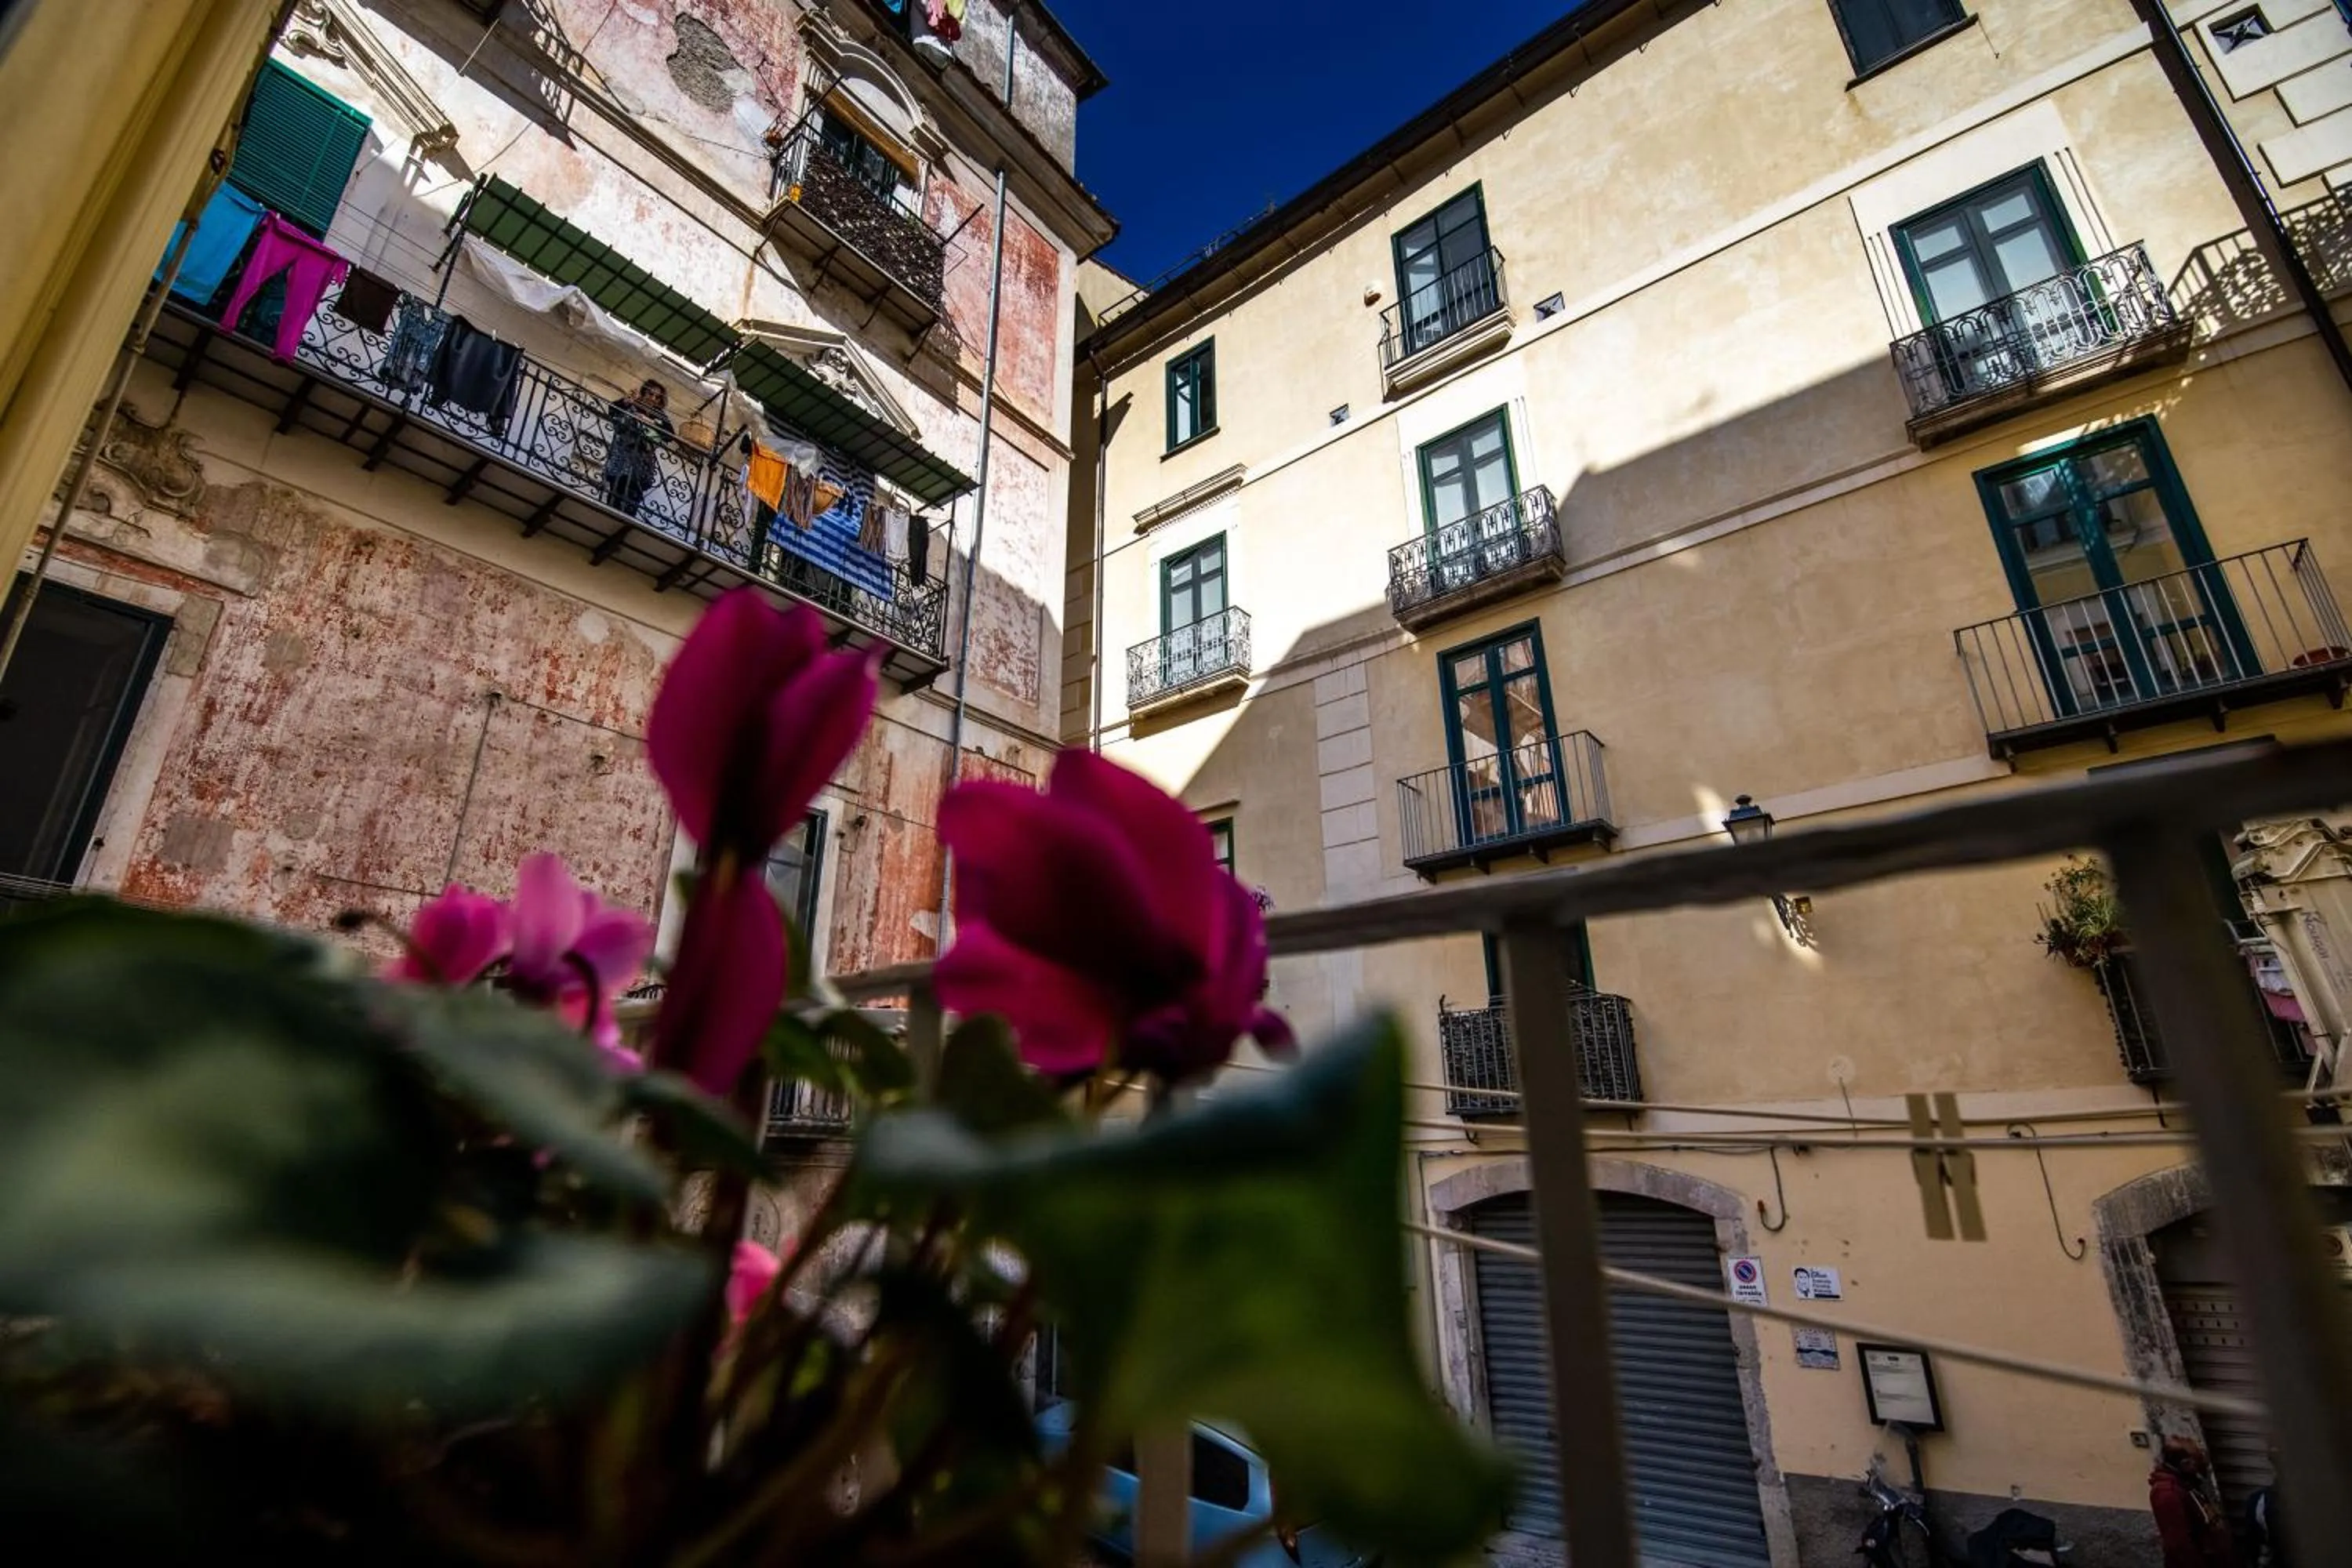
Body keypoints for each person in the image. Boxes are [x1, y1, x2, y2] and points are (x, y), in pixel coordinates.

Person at [2150, 1438, 2238, 1568]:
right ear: (2185, 1464)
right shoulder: (2168, 1494)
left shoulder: (2188, 1485)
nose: (2202, 1466)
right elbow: (2178, 1545)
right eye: (2197, 1462)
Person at [601, 379, 672, 518]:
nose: (653, 399)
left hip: (643, 461)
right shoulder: (632, 403)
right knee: (617, 486)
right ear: (644, 392)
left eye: (657, 397)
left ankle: (626, 517)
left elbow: (669, 435)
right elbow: (613, 410)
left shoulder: (659, 415)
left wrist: (650, 421)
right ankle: (610, 515)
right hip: (623, 454)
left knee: (634, 492)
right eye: (650, 394)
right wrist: (626, 402)